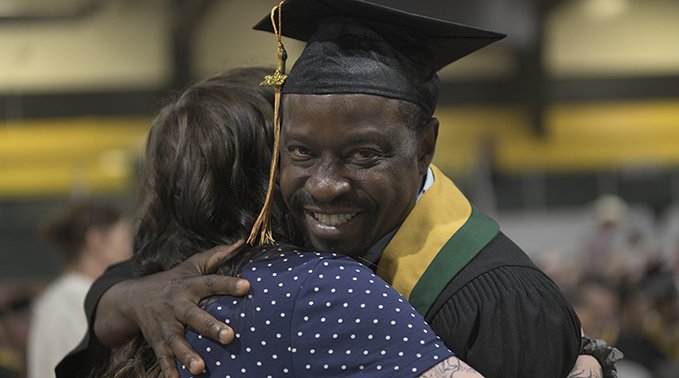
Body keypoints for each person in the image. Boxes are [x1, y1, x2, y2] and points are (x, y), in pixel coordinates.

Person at [58, 1, 619, 377]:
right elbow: (135, 273)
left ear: (425, 146)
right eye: (299, 153)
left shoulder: (497, 299)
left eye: (364, 155)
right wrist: (134, 295)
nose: (323, 188)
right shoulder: (269, 261)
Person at [87, 66, 482, 377]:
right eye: (301, 150)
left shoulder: (151, 307)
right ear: (272, 167)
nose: (325, 184)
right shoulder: (321, 288)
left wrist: (125, 298)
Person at [27, 201, 132, 378]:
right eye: (124, 239)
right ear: (96, 240)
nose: (131, 250)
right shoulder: (77, 300)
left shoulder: (62, 297)